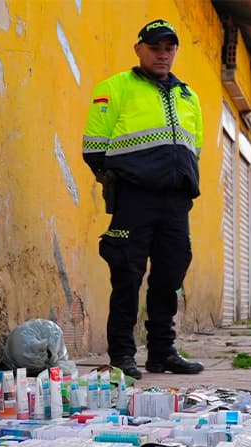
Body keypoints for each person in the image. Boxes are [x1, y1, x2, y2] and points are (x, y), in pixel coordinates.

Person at [83, 19, 204, 379]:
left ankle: (162, 353)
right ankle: (122, 354)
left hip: (176, 201)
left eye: (169, 48)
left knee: (170, 275)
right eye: (154, 47)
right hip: (134, 197)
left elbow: (194, 149)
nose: (162, 54)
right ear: (138, 49)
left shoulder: (189, 96)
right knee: (127, 275)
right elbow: (94, 148)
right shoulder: (114, 87)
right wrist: (121, 182)